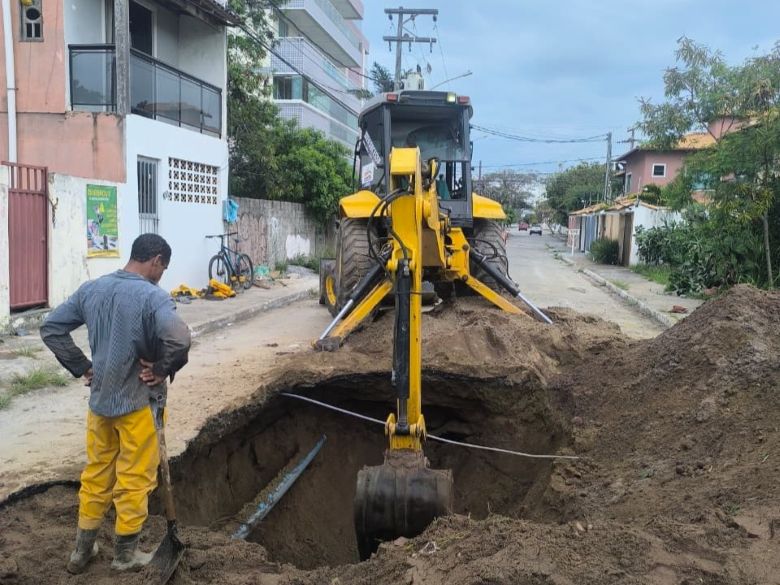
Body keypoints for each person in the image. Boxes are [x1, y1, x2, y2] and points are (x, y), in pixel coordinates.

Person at [40, 233, 191, 574]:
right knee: (135, 478)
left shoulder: (92, 289)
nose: (161, 274)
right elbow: (179, 339)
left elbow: (51, 328)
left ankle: (82, 551)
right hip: (138, 404)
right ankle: (125, 555)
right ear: (155, 260)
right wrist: (162, 369)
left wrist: (83, 367)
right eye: (162, 268)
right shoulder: (154, 298)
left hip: (100, 404)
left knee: (96, 475)